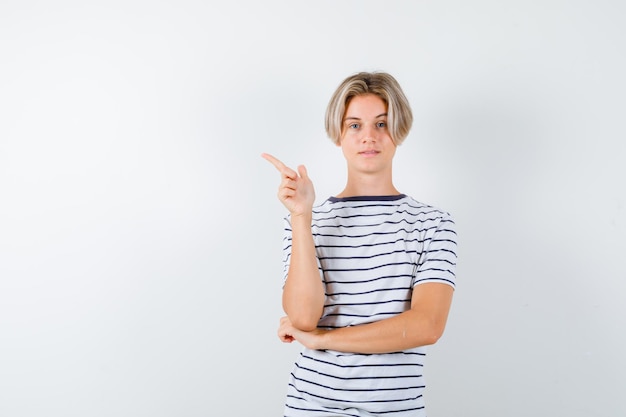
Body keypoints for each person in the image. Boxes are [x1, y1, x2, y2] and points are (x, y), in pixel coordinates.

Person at [262, 71, 457, 417]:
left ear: (399, 130)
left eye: (381, 124)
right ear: (338, 134)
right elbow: (304, 318)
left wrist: (323, 340)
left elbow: (427, 326)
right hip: (311, 406)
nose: (369, 137)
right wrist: (301, 217)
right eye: (355, 125)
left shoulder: (433, 224)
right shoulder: (309, 221)